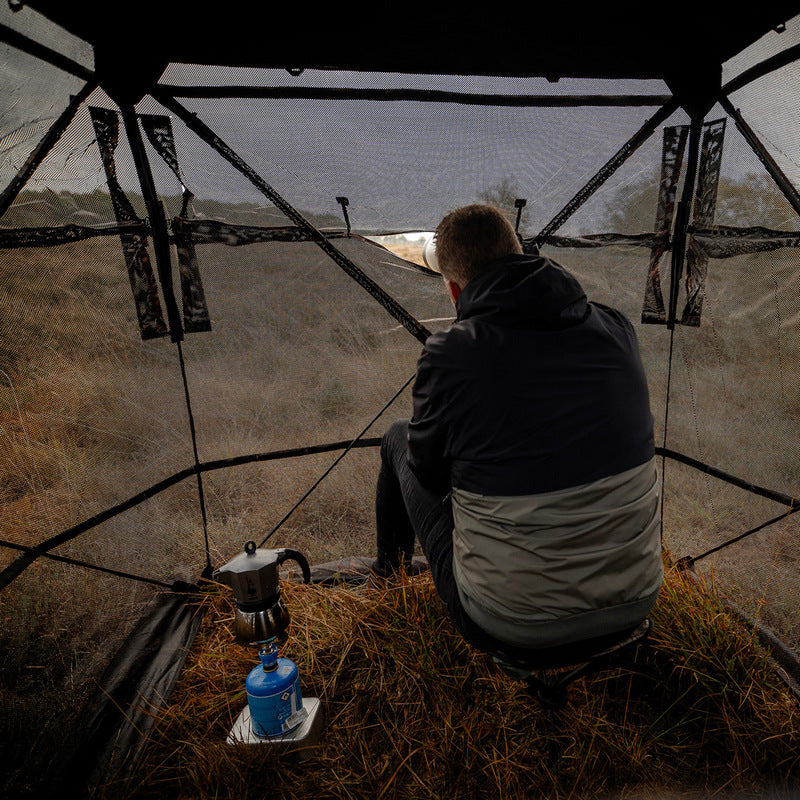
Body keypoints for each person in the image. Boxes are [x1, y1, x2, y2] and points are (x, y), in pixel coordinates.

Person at [374, 203, 663, 661]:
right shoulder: (616, 327)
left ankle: (386, 583)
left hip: (510, 624)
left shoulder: (453, 354)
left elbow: (427, 475)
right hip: (637, 601)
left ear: (453, 291)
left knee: (396, 437)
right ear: (521, 253)